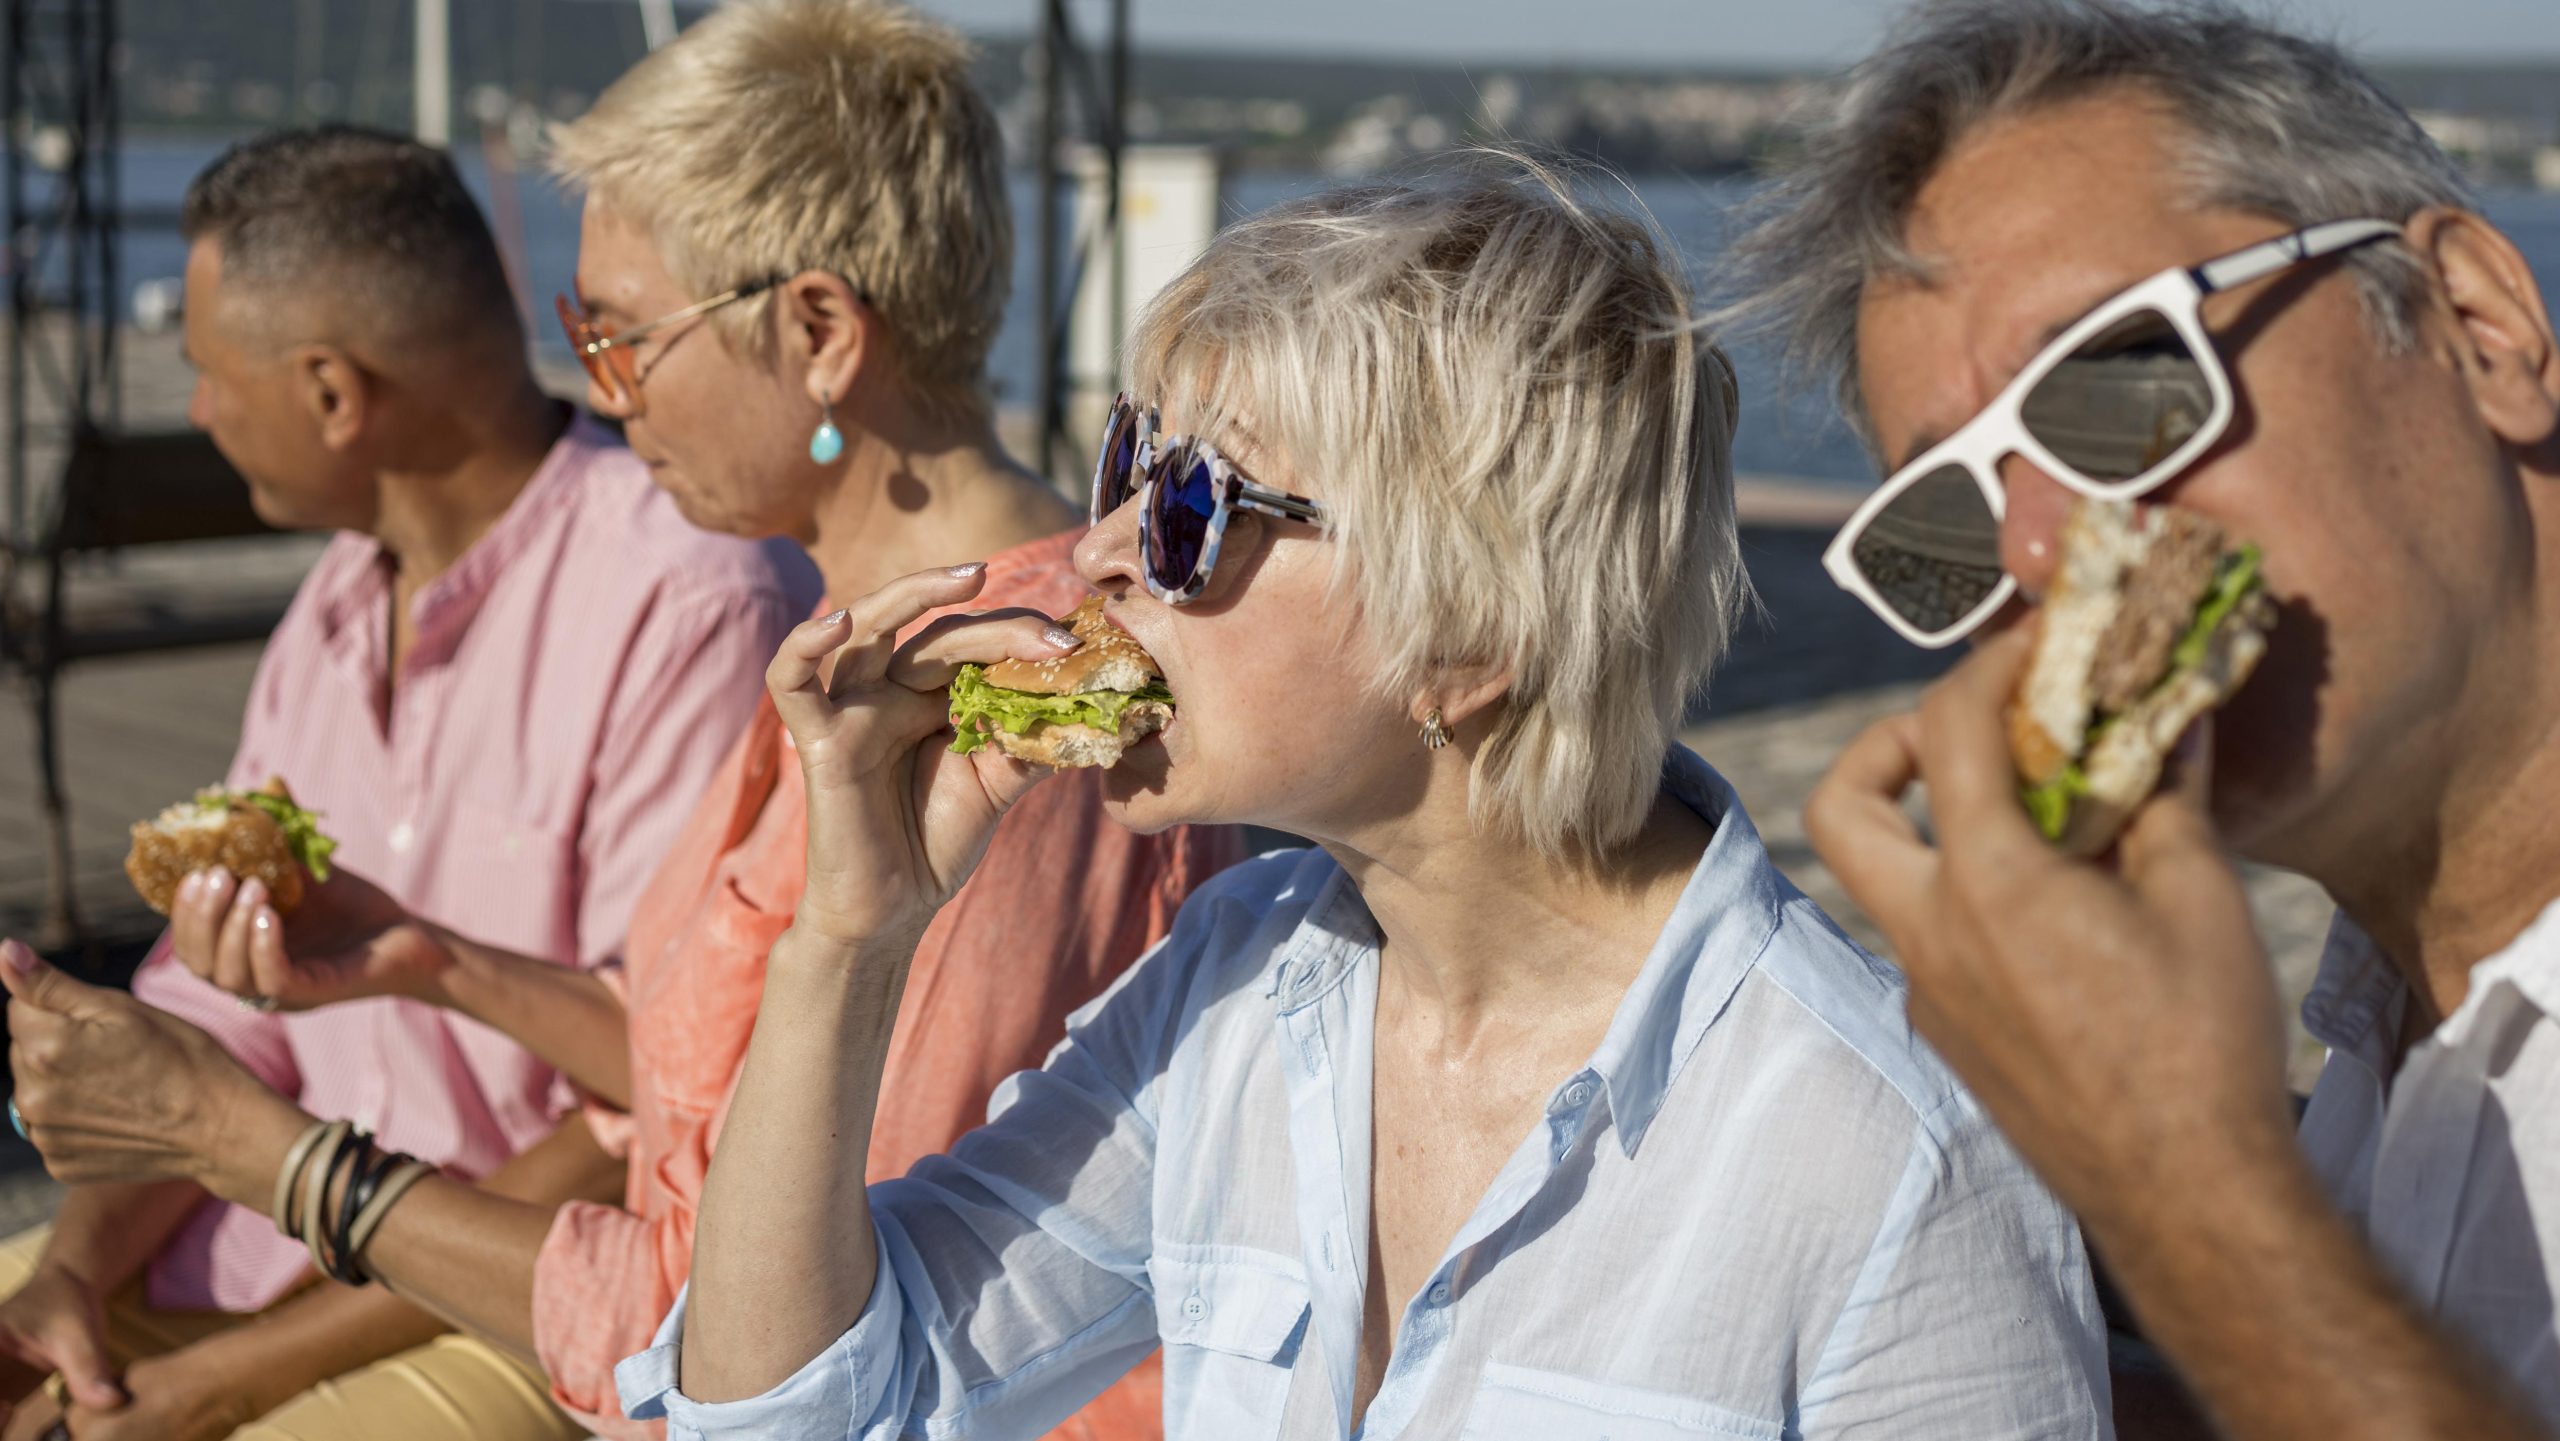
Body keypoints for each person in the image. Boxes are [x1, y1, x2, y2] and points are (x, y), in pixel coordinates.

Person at [602, 156, 2114, 1440]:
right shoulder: (1231, 988)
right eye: (1128, 463)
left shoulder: (1885, 1156)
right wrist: (850, 939)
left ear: (1466, 634)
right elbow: (799, 1415)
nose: (1100, 549)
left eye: (1192, 505)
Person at [1, 4, 1230, 1439]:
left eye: (619, 336)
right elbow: (705, 1078)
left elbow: (785, 1333)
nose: (600, 392)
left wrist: (241, 1140)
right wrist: (430, 960)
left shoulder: (1004, 719)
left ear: (820, 333)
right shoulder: (879, 643)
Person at [1712, 2, 2560, 1437]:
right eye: (1950, 518)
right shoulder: (2386, 1030)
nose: (2041, 549)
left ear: (2477, 327)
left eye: (2118, 387)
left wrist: (2178, 1188)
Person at [0, 127, 816, 1440]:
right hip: (256, 1241)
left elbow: (649, 1109)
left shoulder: (688, 606)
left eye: (210, 373)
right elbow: (224, 1019)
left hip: (516, 1305)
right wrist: (73, 1276)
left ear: (333, 393)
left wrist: (233, 1377)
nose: (200, 409)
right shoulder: (333, 609)